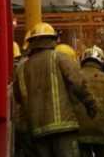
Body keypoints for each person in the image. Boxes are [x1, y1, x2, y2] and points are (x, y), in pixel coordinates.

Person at [15, 22, 98, 157]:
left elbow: (19, 98)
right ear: (52, 39)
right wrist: (90, 104)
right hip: (64, 128)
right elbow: (77, 82)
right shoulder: (59, 58)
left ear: (32, 42)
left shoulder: (22, 68)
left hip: (37, 131)